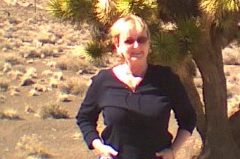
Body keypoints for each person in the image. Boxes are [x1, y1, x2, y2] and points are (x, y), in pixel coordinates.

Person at [76, 14, 196, 159]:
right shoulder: (103, 81)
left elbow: (188, 119)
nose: (136, 46)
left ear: (149, 44)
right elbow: (84, 118)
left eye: (141, 40)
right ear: (117, 45)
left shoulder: (166, 79)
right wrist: (99, 146)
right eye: (129, 41)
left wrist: (173, 150)